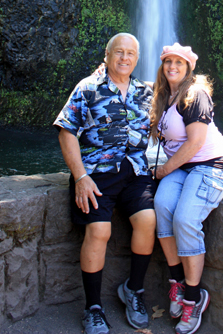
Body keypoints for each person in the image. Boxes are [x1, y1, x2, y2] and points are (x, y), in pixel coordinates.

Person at [54, 33, 156, 334]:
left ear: (137, 58)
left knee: (148, 220)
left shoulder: (145, 92)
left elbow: (175, 108)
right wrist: (80, 177)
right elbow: (66, 131)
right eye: (119, 52)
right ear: (108, 55)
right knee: (99, 230)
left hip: (135, 171)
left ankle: (133, 290)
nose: (125, 58)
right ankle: (93, 308)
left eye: (131, 54)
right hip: (96, 173)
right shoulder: (88, 87)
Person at [150, 42, 223, 334]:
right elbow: (124, 81)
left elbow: (196, 143)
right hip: (182, 166)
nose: (172, 67)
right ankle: (177, 280)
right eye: (168, 62)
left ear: (189, 68)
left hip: (212, 165)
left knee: (185, 218)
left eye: (179, 63)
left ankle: (194, 295)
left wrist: (162, 170)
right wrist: (104, 69)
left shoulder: (194, 94)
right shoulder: (162, 94)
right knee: (161, 207)